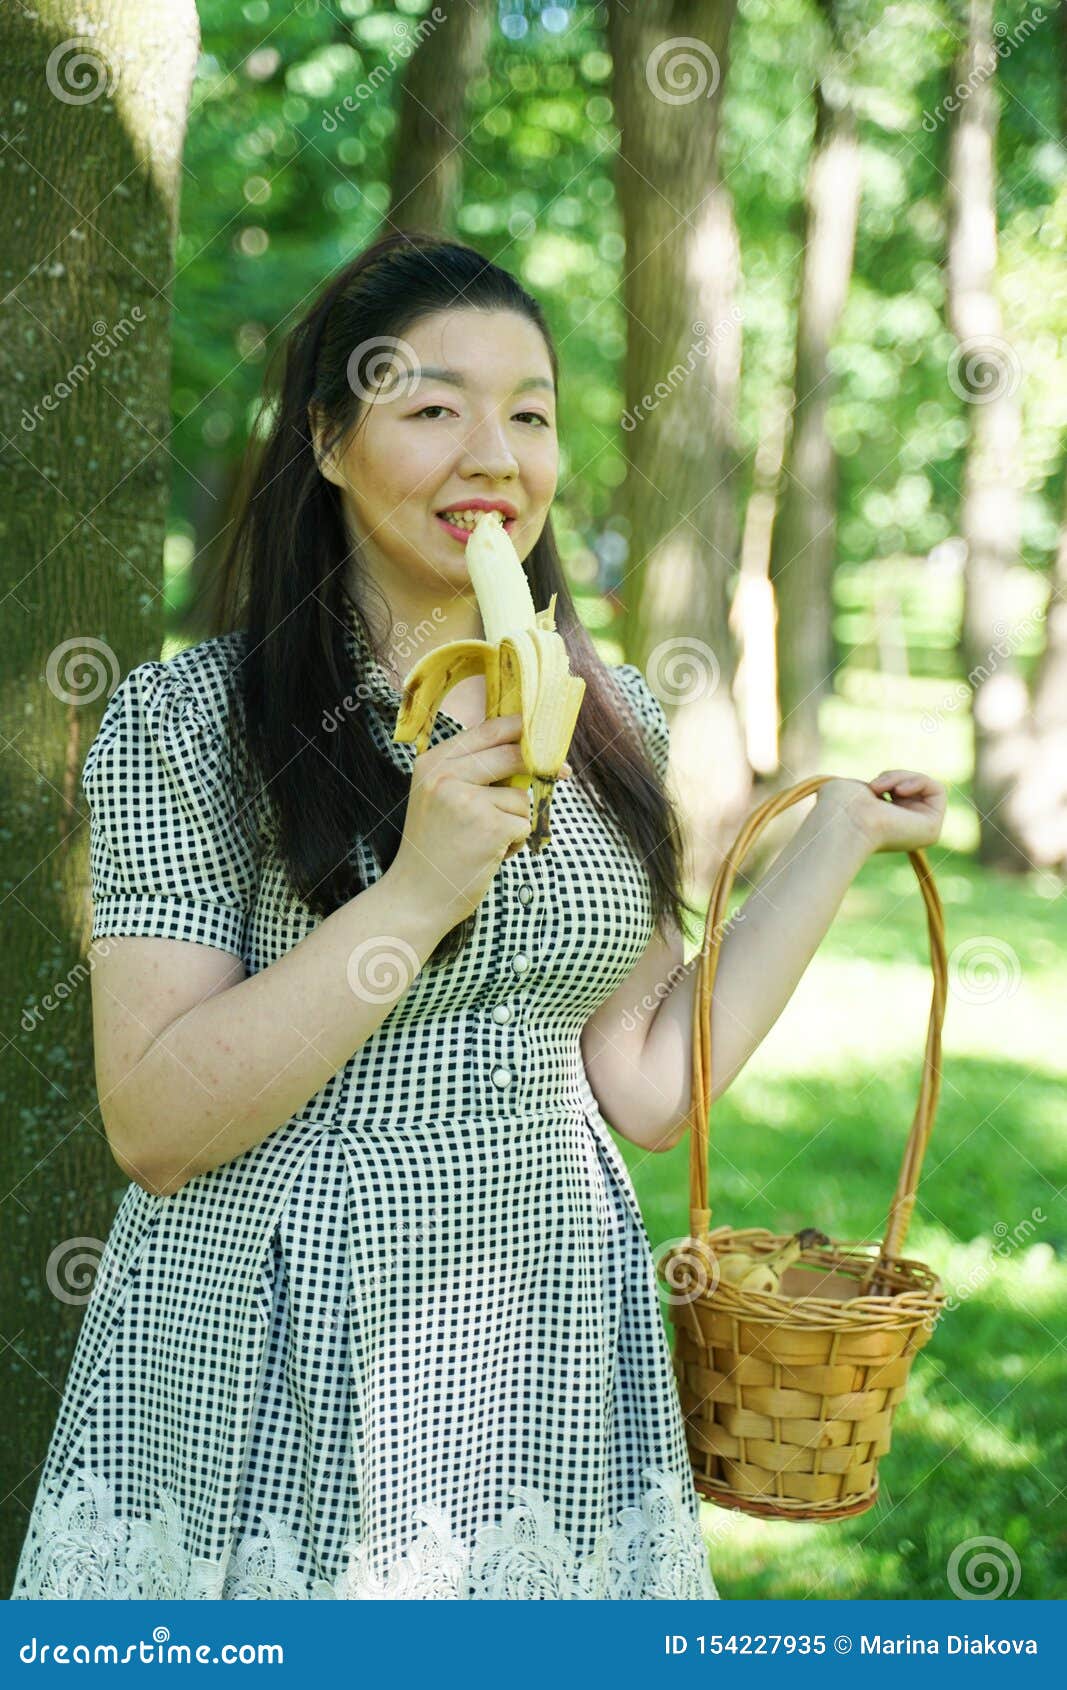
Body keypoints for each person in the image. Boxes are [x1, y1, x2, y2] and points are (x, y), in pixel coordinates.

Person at [11, 232, 944, 1601]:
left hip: (545, 1337)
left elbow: (646, 1078)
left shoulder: (610, 709)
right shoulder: (190, 719)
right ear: (327, 439)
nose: (492, 456)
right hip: (289, 1332)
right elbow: (154, 1127)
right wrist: (419, 887)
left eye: (529, 415)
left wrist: (840, 835)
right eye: (433, 407)